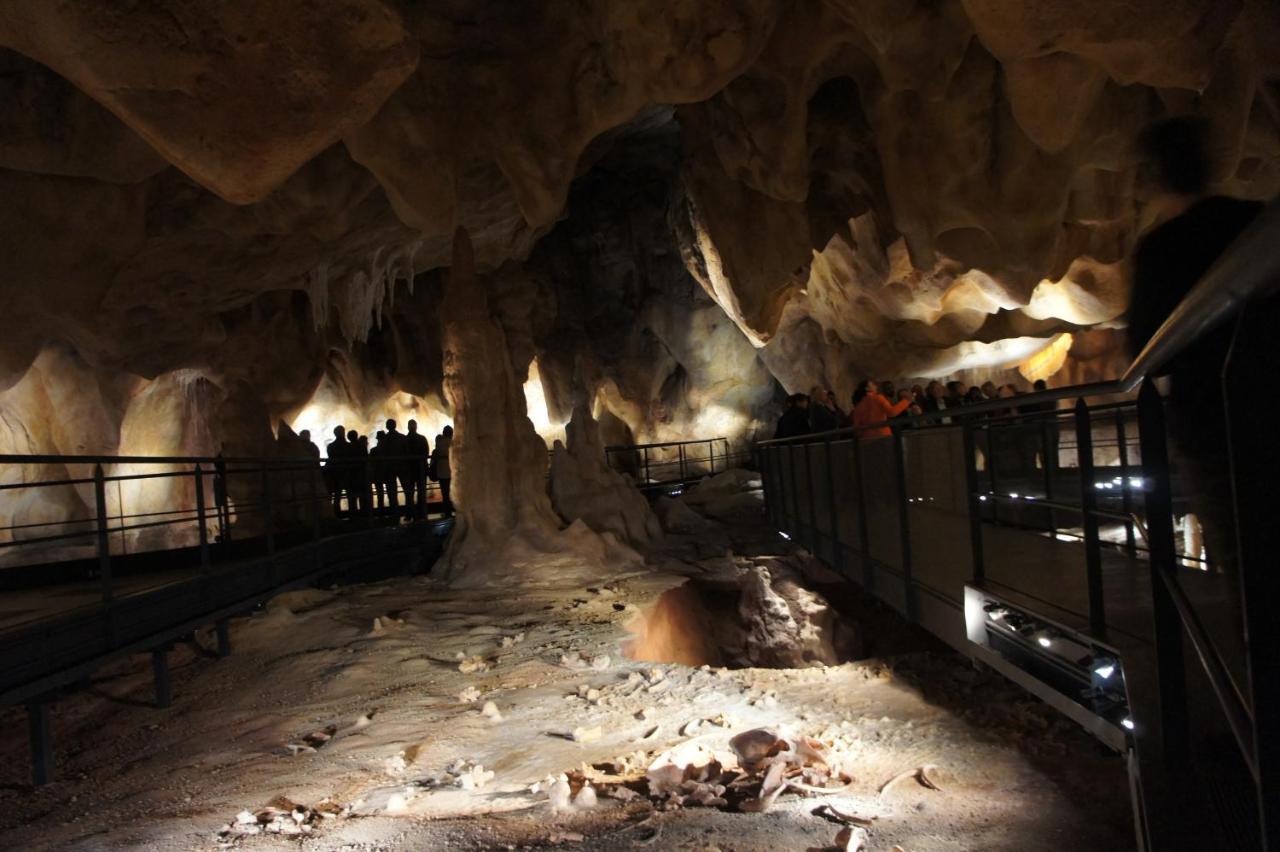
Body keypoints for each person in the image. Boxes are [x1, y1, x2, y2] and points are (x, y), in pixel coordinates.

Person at [1128, 115, 1264, 576]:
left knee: (1245, 558)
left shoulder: (1161, 250)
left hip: (1213, 423)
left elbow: (1144, 350)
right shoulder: (1255, 221)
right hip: (1269, 397)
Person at [405, 419, 431, 520]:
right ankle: (422, 512)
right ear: (416, 427)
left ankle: (410, 513)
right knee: (421, 491)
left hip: (410, 469)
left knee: (409, 492)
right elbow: (426, 452)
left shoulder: (405, 440)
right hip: (420, 468)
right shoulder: (421, 438)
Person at [381, 418, 406, 517]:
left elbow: (382, 454)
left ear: (387, 427)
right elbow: (406, 451)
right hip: (402, 466)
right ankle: (410, 512)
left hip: (389, 468)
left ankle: (395, 513)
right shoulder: (402, 438)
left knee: (392, 492)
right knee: (407, 490)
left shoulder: (384, 440)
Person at [325, 425, 349, 516]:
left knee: (335, 495)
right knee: (350, 495)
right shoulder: (347, 446)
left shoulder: (331, 446)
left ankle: (334, 513)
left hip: (334, 472)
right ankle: (352, 515)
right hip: (346, 473)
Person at [433, 425, 454, 516]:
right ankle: (453, 509)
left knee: (445, 493)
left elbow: (438, 450)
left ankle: (447, 511)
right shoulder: (453, 442)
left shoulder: (440, 440)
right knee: (452, 492)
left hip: (442, 472)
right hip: (452, 471)